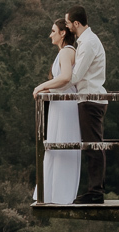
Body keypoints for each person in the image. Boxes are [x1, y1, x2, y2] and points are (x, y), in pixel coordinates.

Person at [32, 18, 81, 204]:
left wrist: (41, 86)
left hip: (66, 106)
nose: (50, 34)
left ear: (62, 33)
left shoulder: (67, 52)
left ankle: (61, 194)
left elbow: (66, 78)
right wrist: (46, 90)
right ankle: (52, 192)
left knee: (63, 145)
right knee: (54, 145)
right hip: (59, 105)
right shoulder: (63, 53)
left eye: (53, 31)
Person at [65, 5, 107, 204]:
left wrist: (56, 82)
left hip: (91, 99)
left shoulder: (89, 42)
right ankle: (93, 190)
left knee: (93, 146)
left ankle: (96, 192)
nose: (66, 27)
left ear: (76, 23)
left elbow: (76, 76)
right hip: (88, 98)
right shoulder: (86, 41)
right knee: (91, 145)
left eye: (67, 23)